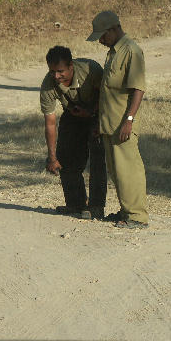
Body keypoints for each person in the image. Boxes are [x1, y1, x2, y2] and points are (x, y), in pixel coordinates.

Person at [86, 11, 149, 229]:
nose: (101, 41)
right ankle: (126, 211)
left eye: (102, 36)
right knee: (117, 170)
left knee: (129, 169)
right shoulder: (114, 52)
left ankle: (137, 216)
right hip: (110, 123)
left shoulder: (131, 51)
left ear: (113, 30)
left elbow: (138, 89)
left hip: (123, 124)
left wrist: (129, 120)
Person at [40, 46, 107, 220]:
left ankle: (96, 207)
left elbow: (106, 96)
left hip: (98, 113)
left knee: (97, 160)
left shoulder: (91, 69)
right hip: (73, 115)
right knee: (65, 156)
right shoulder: (48, 83)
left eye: (60, 71)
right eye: (52, 71)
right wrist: (52, 156)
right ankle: (75, 204)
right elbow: (50, 122)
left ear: (71, 66)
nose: (56, 76)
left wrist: (94, 116)